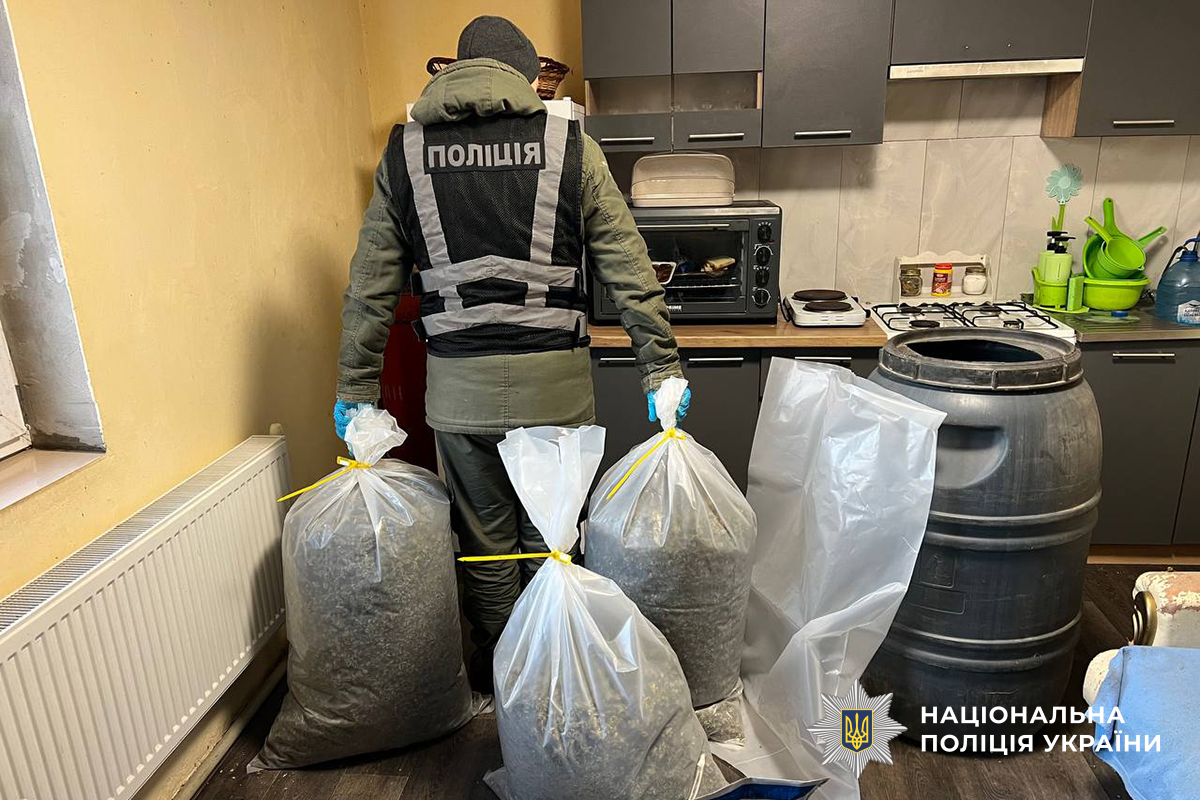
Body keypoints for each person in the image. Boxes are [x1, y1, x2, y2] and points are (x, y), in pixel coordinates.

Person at [333, 16, 690, 692]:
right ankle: (553, 666)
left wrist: (356, 390)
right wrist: (661, 365)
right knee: (550, 536)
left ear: (454, 71)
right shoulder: (567, 144)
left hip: (458, 394)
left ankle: (503, 673)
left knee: (485, 543)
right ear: (527, 78)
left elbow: (370, 286)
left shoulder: (406, 152)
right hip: (554, 391)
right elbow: (628, 265)